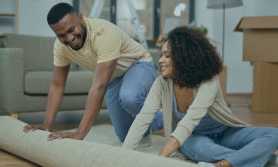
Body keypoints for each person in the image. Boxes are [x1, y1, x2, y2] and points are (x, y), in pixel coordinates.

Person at [122, 26, 278, 167]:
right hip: (195, 138)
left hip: (226, 133)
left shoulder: (208, 80)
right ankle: (262, 159)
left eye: (167, 56)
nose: (161, 60)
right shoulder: (161, 84)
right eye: (162, 55)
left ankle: (220, 165)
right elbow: (143, 119)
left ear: (185, 58)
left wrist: (160, 158)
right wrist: (123, 153)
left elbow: (191, 120)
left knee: (273, 134)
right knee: (195, 148)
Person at [23, 2, 163, 142]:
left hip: (139, 64)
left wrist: (79, 134)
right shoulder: (60, 47)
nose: (69, 38)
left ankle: (167, 118)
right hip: (114, 79)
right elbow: (57, 85)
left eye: (72, 30)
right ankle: (151, 124)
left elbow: (99, 86)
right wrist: (47, 124)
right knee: (125, 136)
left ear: (80, 18)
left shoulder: (103, 33)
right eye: (62, 35)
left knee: (129, 97)